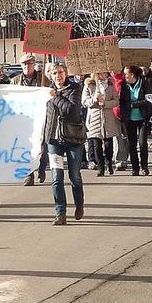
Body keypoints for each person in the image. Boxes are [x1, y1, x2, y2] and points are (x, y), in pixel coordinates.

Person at [43, 62, 85, 224]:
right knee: (56, 177)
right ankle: (60, 213)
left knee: (74, 176)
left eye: (61, 72)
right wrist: (42, 140)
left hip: (73, 138)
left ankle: (79, 204)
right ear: (51, 76)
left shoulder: (74, 88)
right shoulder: (46, 91)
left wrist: (56, 97)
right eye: (55, 73)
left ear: (65, 73)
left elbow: (72, 111)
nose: (58, 76)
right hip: (54, 140)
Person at [11, 53, 49, 185]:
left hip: (40, 117)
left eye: (30, 64)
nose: (27, 66)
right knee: (26, 147)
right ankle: (29, 174)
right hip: (24, 119)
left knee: (42, 146)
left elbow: (50, 94)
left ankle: (42, 167)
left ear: (34, 65)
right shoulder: (15, 81)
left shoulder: (43, 79)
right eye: (24, 64)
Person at [119, 65, 152, 176]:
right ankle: (135, 168)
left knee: (142, 143)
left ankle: (144, 166)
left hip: (143, 118)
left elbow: (149, 100)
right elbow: (122, 102)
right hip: (129, 119)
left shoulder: (144, 83)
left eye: (126, 74)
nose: (125, 76)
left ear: (132, 74)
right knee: (131, 144)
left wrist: (134, 105)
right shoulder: (124, 86)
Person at [83, 72, 117, 176]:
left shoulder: (110, 85)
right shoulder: (89, 85)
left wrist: (106, 103)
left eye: (104, 73)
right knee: (96, 144)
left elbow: (116, 101)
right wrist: (94, 99)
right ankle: (100, 167)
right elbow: (84, 101)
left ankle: (109, 162)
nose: (101, 74)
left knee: (108, 144)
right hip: (94, 117)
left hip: (107, 117)